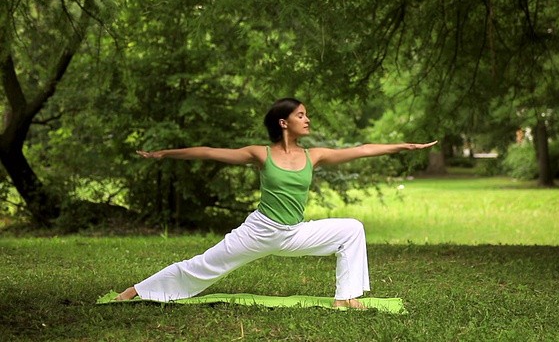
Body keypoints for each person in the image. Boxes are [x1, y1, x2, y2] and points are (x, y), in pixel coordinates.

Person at [116, 98, 437, 309]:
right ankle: (138, 290)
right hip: (258, 231)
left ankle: (345, 298)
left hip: (294, 232)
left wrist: (405, 146)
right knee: (204, 266)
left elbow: (364, 149)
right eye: (301, 115)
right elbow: (209, 151)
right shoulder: (261, 154)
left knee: (352, 229)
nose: (307, 119)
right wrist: (164, 154)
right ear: (284, 122)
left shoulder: (315, 155)